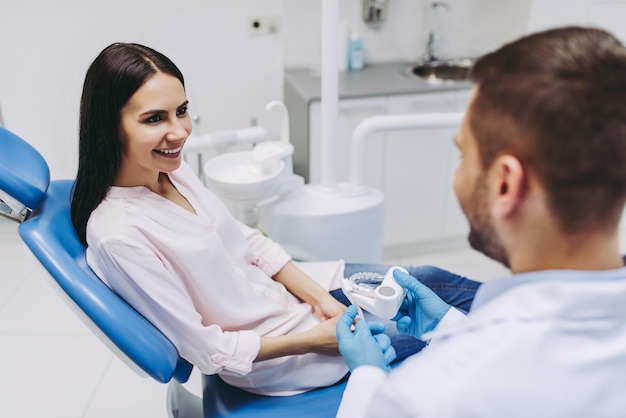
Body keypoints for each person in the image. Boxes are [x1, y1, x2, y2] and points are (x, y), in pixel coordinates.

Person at [70, 42, 481, 396]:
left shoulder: (172, 169)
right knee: (461, 329)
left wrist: (321, 297)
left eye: (182, 111)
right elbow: (207, 350)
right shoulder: (119, 236)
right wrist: (314, 340)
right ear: (110, 125)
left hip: (303, 297)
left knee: (433, 279)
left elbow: (249, 242)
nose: (179, 132)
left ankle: (540, 309)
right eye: (154, 119)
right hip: (287, 355)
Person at [336, 26, 626, 417]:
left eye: (463, 156)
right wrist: (448, 328)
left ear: (505, 183)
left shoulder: (428, 394)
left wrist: (367, 378)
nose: (459, 175)